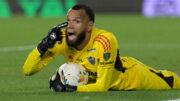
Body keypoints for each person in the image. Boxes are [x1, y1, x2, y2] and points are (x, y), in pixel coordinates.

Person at [22, 4, 180, 92]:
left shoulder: (104, 40)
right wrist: (42, 47)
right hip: (102, 82)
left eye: (76, 21)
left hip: (133, 79)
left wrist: (70, 89)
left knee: (173, 80)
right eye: (68, 21)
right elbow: (28, 70)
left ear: (89, 26)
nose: (69, 25)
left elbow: (103, 86)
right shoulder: (63, 40)